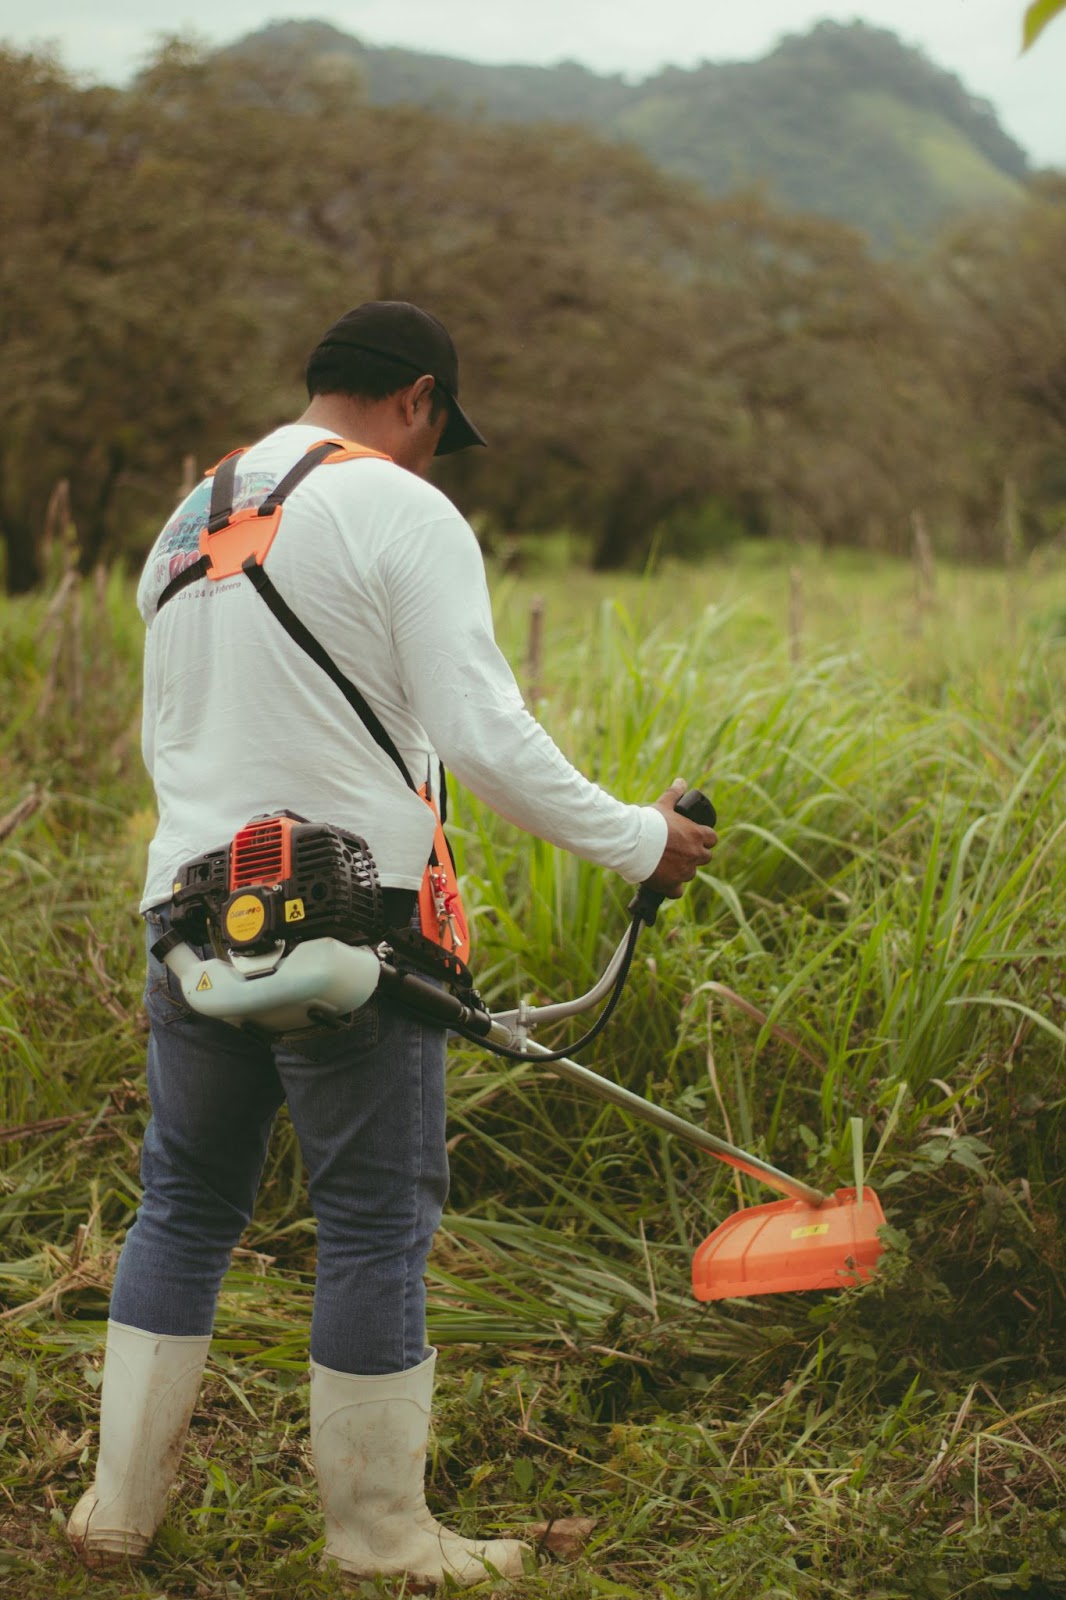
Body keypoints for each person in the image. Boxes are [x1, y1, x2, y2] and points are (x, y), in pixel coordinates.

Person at [67, 301, 716, 1586]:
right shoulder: (403, 508)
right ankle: (379, 1538)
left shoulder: (185, 517)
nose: (431, 462)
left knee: (186, 1205)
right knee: (372, 1220)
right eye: (436, 434)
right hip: (353, 924)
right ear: (417, 399)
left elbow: (178, 740)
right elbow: (481, 733)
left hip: (190, 918)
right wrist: (639, 842)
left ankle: (111, 1514)